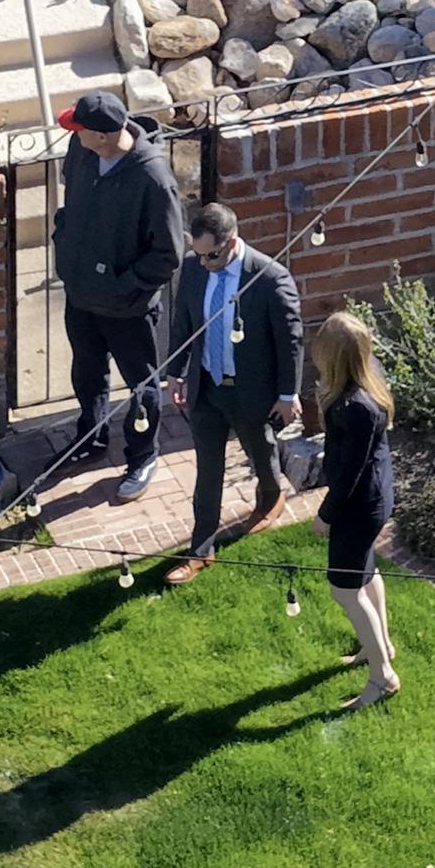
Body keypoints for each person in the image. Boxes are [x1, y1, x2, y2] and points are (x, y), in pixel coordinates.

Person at [52, 90, 184, 502]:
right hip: (81, 296)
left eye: (79, 128)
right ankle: (90, 439)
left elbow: (168, 254)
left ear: (103, 135)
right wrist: (64, 242)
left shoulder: (153, 178)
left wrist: (119, 285)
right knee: (87, 374)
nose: (73, 133)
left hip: (127, 309)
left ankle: (142, 455)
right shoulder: (82, 149)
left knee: (142, 387)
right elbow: (71, 204)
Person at [163, 202, 303, 587]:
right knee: (208, 469)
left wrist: (287, 394)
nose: (203, 262)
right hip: (206, 387)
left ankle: (271, 495)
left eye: (211, 255)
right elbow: (183, 321)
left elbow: (290, 341)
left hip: (251, 390)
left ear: (231, 242)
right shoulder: (194, 268)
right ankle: (200, 549)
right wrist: (175, 373)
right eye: (198, 254)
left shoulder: (270, 278)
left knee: (261, 452)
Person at [310, 311, 399, 710]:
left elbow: (350, 473)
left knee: (344, 589)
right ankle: (379, 647)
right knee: (366, 574)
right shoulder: (368, 377)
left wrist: (326, 515)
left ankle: (383, 677)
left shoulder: (354, 406)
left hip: (360, 505)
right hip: (374, 496)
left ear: (333, 358)